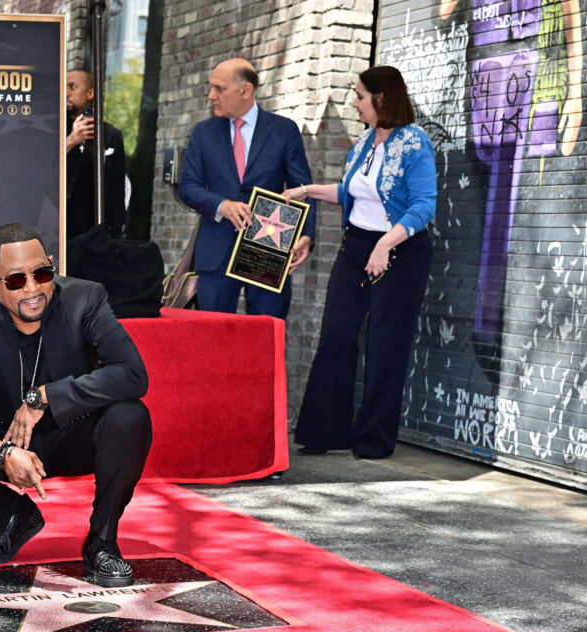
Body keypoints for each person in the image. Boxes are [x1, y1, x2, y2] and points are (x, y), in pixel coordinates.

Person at [0, 223, 151, 587]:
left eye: (42, 274)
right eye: (15, 280)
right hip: (7, 436)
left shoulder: (84, 299)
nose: (32, 289)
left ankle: (102, 542)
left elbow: (133, 374)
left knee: (129, 416)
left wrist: (44, 397)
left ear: (52, 266)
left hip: (73, 434)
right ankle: (12, 517)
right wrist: (1, 452)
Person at [283, 66, 437, 460]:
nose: (354, 102)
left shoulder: (414, 143)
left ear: (381, 99)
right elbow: (349, 192)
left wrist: (386, 243)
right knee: (336, 335)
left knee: (387, 344)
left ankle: (373, 440)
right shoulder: (364, 142)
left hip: (401, 250)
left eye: (360, 96)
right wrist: (304, 191)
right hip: (356, 249)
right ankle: (323, 432)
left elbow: (423, 205)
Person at [178, 58, 313, 319]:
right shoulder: (203, 132)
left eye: (219, 89)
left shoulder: (284, 130)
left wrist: (306, 235)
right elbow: (188, 187)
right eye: (211, 88)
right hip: (215, 251)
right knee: (212, 338)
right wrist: (221, 205)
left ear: (245, 90)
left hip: (268, 246)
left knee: (265, 337)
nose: (211, 95)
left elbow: (303, 188)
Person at [65, 69, 127, 240]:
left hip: (96, 227)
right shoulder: (56, 129)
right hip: (61, 223)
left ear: (90, 93)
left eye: (72, 87)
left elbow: (117, 189)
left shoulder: (110, 135)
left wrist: (116, 232)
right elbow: (42, 164)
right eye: (63, 87)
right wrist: (71, 140)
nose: (66, 93)